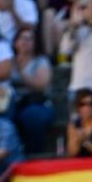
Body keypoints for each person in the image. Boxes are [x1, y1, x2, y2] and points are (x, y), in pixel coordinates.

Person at [9, 24, 55, 155]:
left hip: (37, 103)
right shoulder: (8, 60)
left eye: (30, 39)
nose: (25, 42)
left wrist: (21, 71)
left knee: (32, 116)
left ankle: (34, 155)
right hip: (13, 103)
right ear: (15, 42)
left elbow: (41, 85)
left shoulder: (41, 61)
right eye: (22, 38)